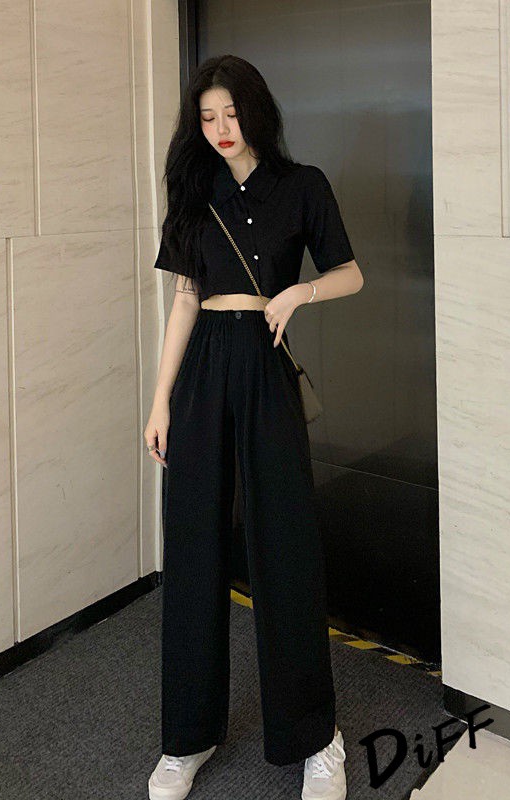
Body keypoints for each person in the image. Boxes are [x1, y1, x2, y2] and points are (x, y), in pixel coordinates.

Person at [144, 54, 363, 800]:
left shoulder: (303, 185)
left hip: (266, 369)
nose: (220, 129)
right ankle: (187, 738)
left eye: (231, 114)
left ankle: (317, 740)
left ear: (256, 111)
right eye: (207, 117)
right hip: (203, 368)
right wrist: (160, 400)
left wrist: (300, 293)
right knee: (193, 547)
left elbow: (351, 273)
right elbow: (184, 299)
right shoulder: (194, 190)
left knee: (285, 547)